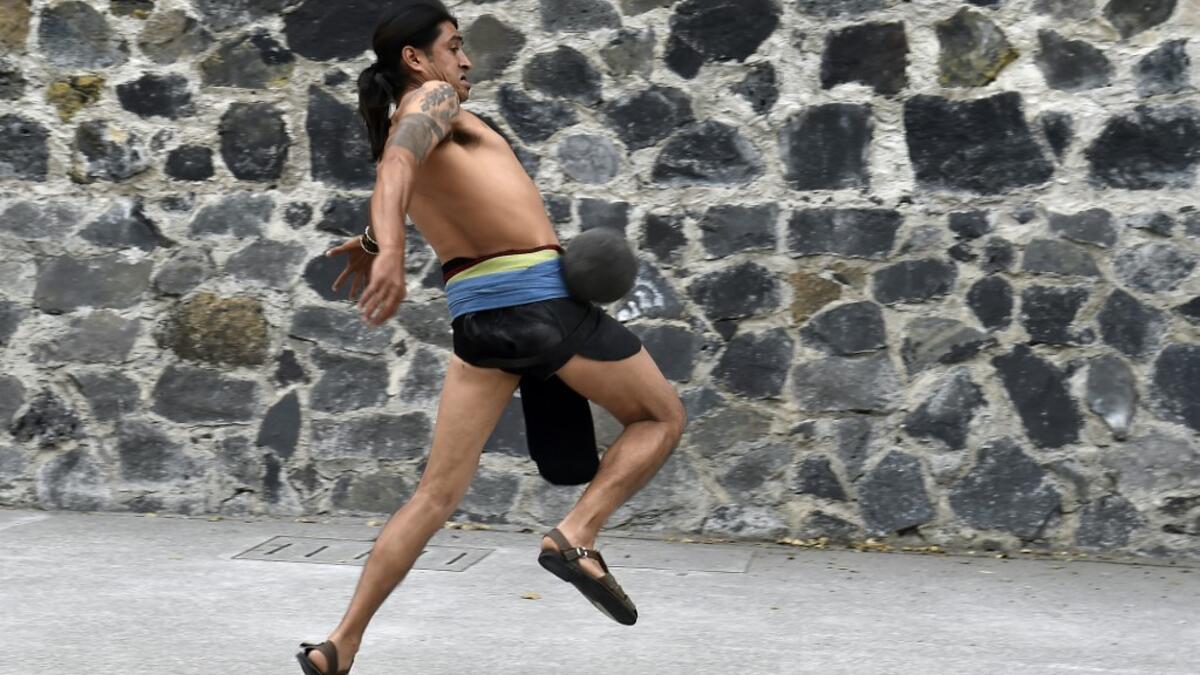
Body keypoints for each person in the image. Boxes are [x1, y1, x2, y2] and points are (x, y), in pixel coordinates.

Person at [296, 3, 687, 674]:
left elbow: (408, 176)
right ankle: (576, 535)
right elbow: (398, 164)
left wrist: (371, 240)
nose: (466, 60)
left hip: (479, 323)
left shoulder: (410, 121)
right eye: (453, 46)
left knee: (434, 496)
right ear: (416, 59)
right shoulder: (433, 99)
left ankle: (342, 643)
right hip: (540, 304)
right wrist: (392, 251)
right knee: (661, 418)